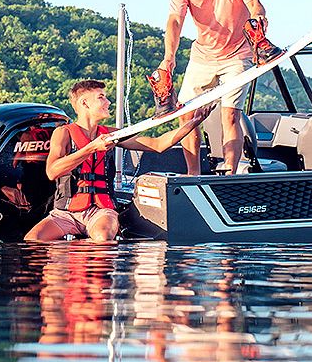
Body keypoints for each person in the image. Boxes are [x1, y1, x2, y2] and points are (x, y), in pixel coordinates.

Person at [25, 80, 208, 242]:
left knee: (102, 238)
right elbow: (52, 171)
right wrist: (91, 148)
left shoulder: (112, 134)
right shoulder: (63, 133)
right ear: (84, 103)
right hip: (66, 214)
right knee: (32, 240)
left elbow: (158, 144)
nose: (108, 102)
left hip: (101, 211)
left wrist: (192, 123)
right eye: (101, 97)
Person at [158, 0, 272, 175]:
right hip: (203, 56)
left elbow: (255, 5)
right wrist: (169, 57)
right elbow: (175, 21)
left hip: (238, 54)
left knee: (229, 114)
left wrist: (258, 22)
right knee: (186, 114)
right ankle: (193, 174)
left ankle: (230, 172)